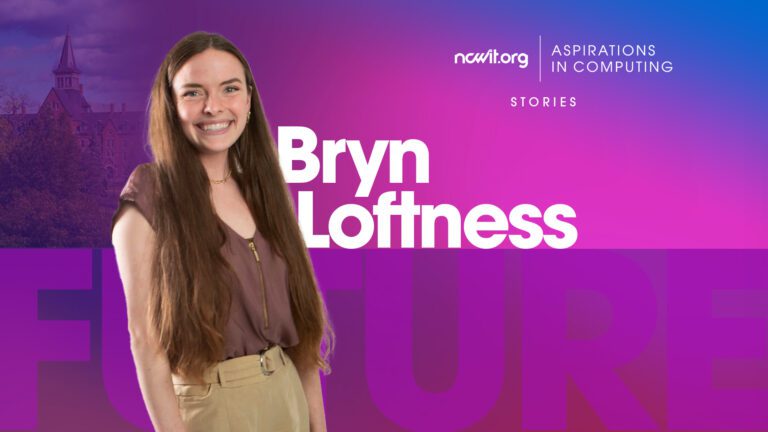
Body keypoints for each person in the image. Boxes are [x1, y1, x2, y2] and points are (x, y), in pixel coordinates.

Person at [110, 31, 334, 432]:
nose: (213, 107)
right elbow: (145, 341)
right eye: (193, 93)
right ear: (171, 105)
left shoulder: (263, 190)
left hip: (287, 396)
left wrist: (318, 425)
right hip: (214, 409)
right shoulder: (151, 194)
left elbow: (302, 335)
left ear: (248, 100)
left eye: (229, 89)